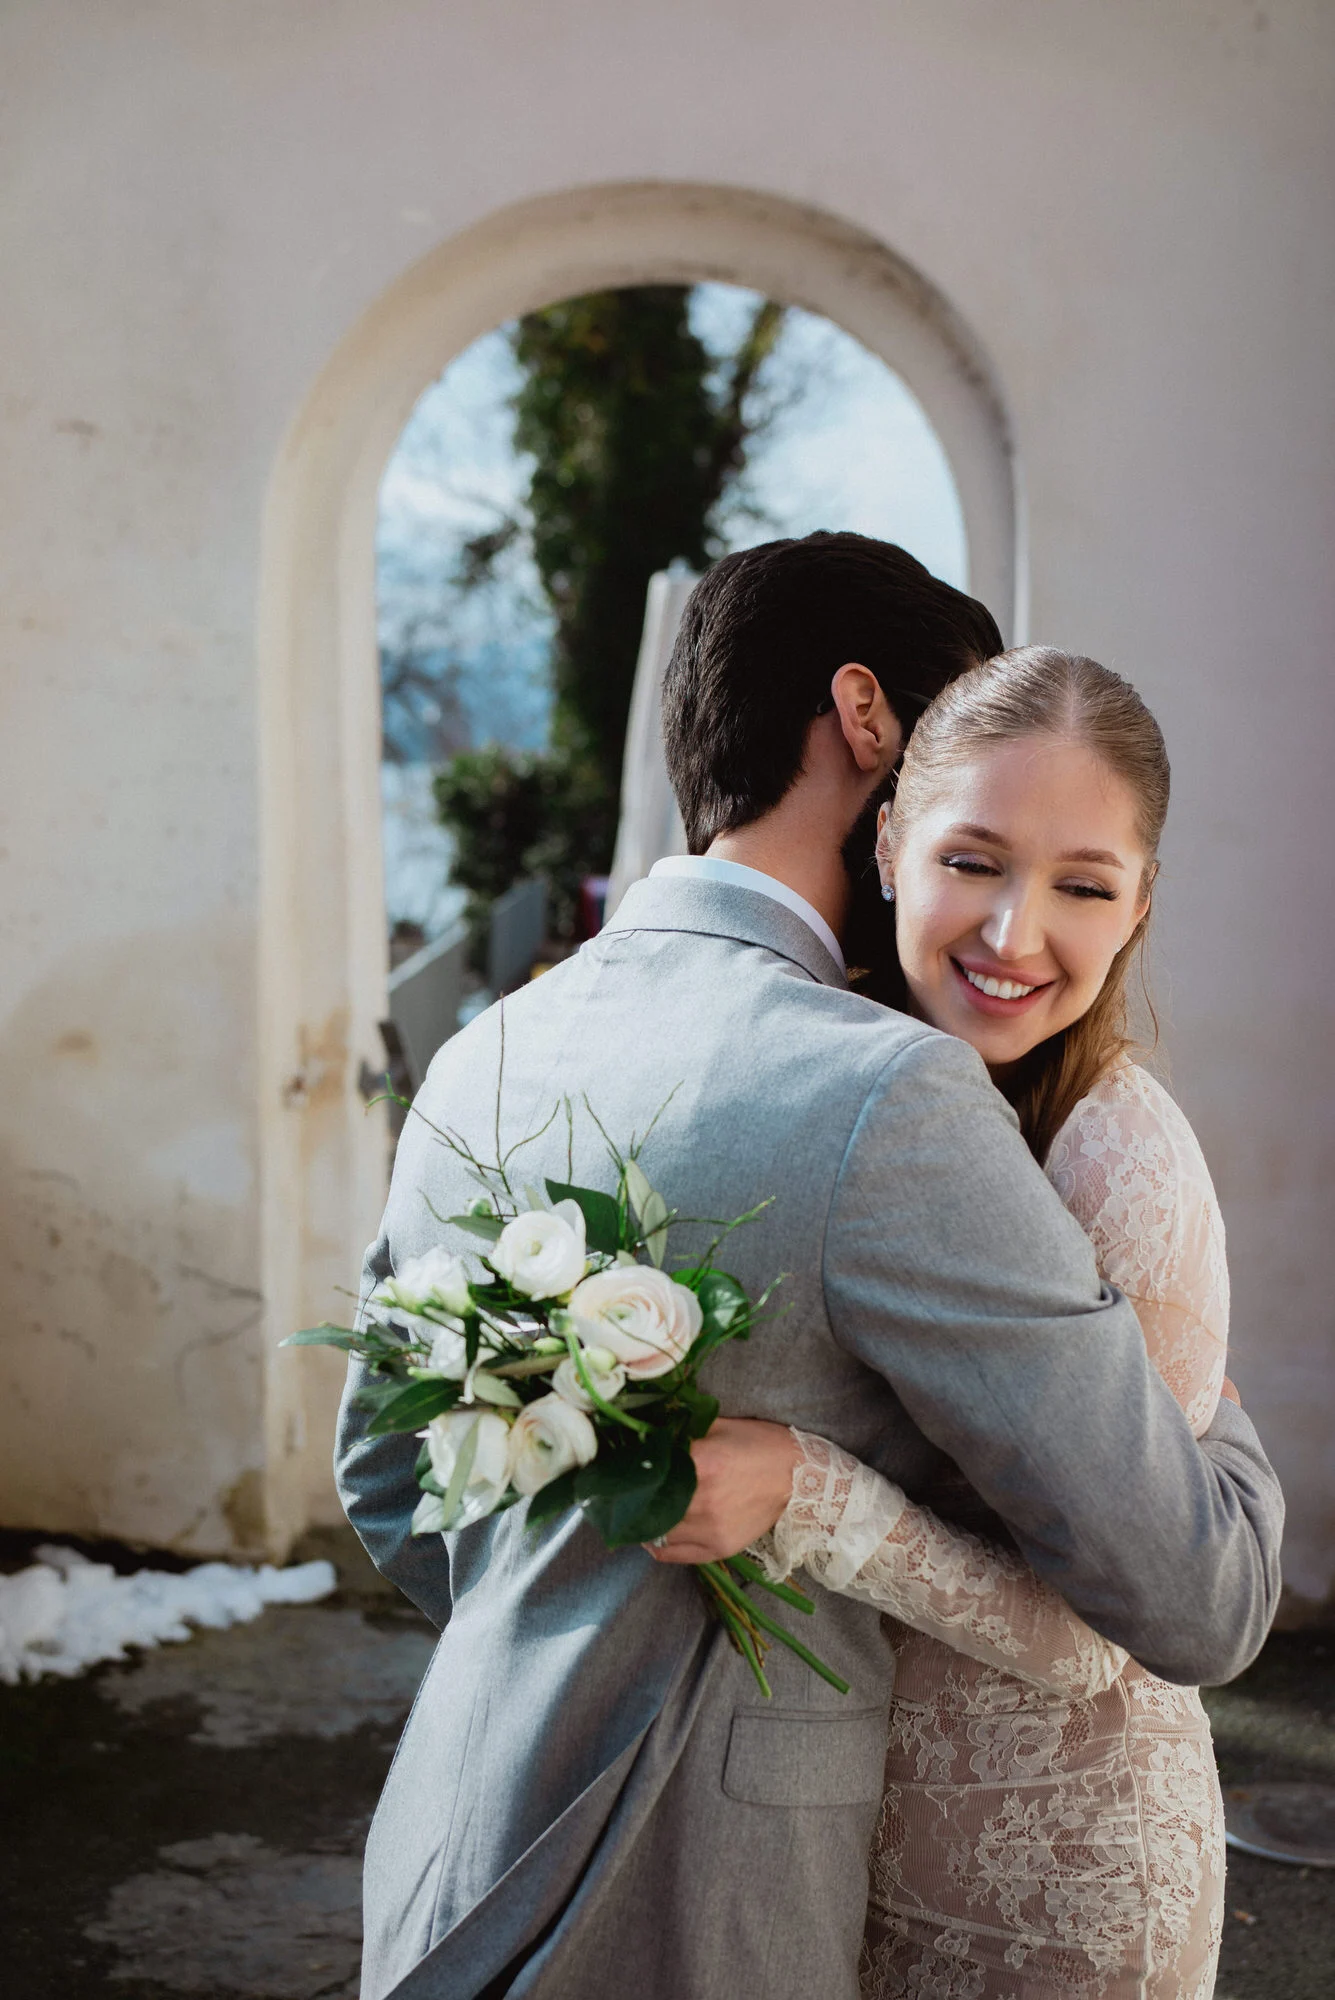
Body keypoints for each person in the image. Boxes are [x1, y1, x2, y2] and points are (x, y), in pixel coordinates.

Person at [335, 536, 1282, 2000]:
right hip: (712, 1895)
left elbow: (391, 1487)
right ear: (867, 730)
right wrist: (1211, 1406)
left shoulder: (486, 1050)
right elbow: (1197, 1598)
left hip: (447, 1847)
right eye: (957, 733)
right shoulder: (883, 1093)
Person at [649, 646, 1247, 1996]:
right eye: (972, 862)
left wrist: (810, 1499)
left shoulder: (1122, 1163)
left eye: (1080, 886)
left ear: (1137, 904)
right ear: (886, 845)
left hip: (1055, 1877)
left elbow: (1111, 1625)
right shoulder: (826, 1076)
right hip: (831, 1840)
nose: (1010, 934)